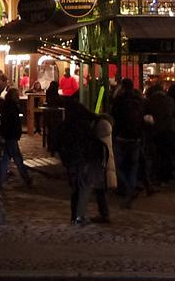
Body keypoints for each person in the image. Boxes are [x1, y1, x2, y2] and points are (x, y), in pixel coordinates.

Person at [57, 97, 112, 225]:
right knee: (96, 186)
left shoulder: (68, 124)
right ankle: (102, 213)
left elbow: (59, 143)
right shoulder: (89, 121)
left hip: (80, 159)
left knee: (80, 188)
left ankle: (77, 216)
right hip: (92, 158)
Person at [110, 78, 147, 206]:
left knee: (117, 166)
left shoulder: (118, 100)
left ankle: (126, 187)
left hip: (121, 137)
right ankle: (130, 191)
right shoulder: (138, 99)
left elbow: (113, 116)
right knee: (133, 167)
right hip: (135, 138)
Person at [144, 81, 175, 185]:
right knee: (168, 153)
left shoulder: (149, 101)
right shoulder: (169, 100)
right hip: (169, 129)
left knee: (157, 153)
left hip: (156, 130)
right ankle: (168, 174)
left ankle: (159, 175)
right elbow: (173, 112)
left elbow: (147, 115)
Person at [0, 88, 31, 186]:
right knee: (17, 158)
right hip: (10, 135)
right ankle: (26, 177)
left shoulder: (6, 105)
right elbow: (13, 122)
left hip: (6, 134)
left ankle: (0, 179)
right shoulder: (12, 107)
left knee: (6, 158)